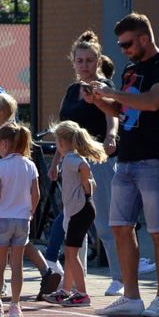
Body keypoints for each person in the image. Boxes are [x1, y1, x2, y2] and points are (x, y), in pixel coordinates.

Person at [91, 13, 159, 317]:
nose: (124, 50)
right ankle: (131, 296)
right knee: (119, 227)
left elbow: (154, 101)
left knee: (158, 230)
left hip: (155, 160)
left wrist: (111, 92)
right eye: (120, 45)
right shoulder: (130, 68)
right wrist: (98, 100)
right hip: (126, 160)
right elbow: (121, 108)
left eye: (127, 44)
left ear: (144, 38)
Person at [45, 32, 127, 297]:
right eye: (80, 61)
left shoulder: (104, 86)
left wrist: (112, 135)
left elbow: (113, 114)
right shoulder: (72, 90)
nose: (84, 65)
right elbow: (64, 131)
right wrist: (56, 162)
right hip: (70, 163)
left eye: (89, 60)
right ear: (74, 63)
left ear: (98, 61)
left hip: (97, 161)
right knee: (73, 223)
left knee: (104, 220)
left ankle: (119, 277)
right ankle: (72, 283)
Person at [0, 93, 60, 303]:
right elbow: (36, 189)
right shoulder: (22, 139)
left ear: (1, 113)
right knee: (20, 246)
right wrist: (30, 211)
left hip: (0, 208)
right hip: (21, 210)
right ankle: (44, 271)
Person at [41, 121, 105, 308]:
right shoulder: (69, 157)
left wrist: (85, 187)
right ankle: (65, 290)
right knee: (70, 252)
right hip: (75, 208)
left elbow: (84, 167)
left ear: (61, 142)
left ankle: (82, 293)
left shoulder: (71, 158)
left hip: (80, 209)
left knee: (71, 253)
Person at [0, 123, 40, 317]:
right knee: (17, 265)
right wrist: (30, 212)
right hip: (22, 219)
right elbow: (36, 194)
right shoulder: (29, 164)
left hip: (1, 218)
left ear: (4, 144)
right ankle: (15, 305)